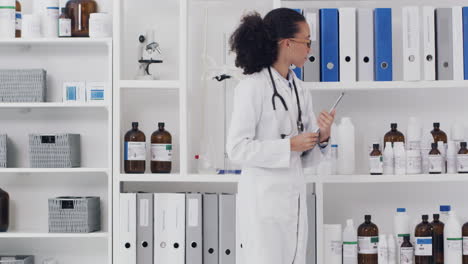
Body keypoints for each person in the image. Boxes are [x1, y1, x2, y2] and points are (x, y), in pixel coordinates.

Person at [226, 8, 335, 264]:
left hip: (293, 201)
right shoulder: (252, 87)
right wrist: (287, 146)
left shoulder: (299, 88)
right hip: (263, 204)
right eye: (306, 41)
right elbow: (236, 149)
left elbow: (306, 157)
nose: (309, 48)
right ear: (287, 43)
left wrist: (322, 136)